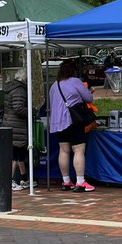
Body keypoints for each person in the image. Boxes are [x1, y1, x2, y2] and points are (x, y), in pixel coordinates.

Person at [48, 58, 96, 191]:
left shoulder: (54, 85)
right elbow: (88, 98)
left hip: (58, 122)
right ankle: (80, 181)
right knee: (78, 150)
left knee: (63, 150)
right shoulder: (75, 81)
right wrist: (90, 91)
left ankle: (66, 181)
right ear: (73, 71)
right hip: (73, 120)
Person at [1, 67, 33, 189]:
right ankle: (9, 180)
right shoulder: (20, 90)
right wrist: (30, 111)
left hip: (10, 123)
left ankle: (24, 178)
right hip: (17, 125)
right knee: (15, 155)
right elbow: (18, 108)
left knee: (19, 153)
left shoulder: (11, 88)